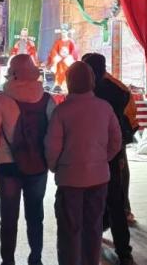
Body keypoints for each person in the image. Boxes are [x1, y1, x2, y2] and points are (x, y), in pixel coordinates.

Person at [45, 61, 122, 265]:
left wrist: (56, 166)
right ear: (92, 81)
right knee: (93, 228)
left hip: (69, 179)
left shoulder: (62, 111)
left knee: (69, 230)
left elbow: (52, 146)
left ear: (69, 82)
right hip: (99, 178)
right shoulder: (104, 108)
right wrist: (102, 160)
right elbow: (116, 141)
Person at [0, 54, 55, 265]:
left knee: (8, 216)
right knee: (35, 215)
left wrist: (0, 151)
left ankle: (8, 260)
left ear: (12, 73)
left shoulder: (3, 100)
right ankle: (36, 258)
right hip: (38, 165)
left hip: (8, 166)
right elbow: (54, 133)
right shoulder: (47, 99)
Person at [81, 53, 134, 265]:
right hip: (112, 151)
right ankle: (124, 251)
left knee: (88, 200)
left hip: (86, 154)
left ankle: (91, 243)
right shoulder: (119, 90)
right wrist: (116, 151)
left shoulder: (82, 90)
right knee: (115, 200)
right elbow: (127, 122)